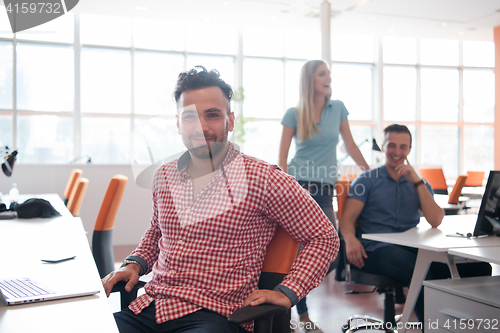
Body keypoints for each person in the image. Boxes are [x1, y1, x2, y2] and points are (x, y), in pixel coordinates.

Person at [101, 66, 339, 333]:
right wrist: (135, 263)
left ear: (231, 120)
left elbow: (324, 237)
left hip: (215, 316)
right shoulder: (164, 176)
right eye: (189, 116)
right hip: (151, 309)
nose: (201, 127)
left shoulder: (262, 179)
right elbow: (157, 231)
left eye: (212, 115)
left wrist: (289, 291)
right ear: (178, 123)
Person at [339, 124, 492, 323]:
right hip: (375, 250)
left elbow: (436, 220)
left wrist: (416, 181)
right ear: (383, 147)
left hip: (412, 248)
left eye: (403, 147)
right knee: (421, 269)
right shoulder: (367, 180)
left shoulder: (420, 183)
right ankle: (431, 326)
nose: (397, 151)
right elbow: (347, 219)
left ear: (409, 150)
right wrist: (350, 240)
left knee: (479, 268)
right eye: (391, 145)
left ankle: (466, 323)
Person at [279, 59, 369, 332]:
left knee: (330, 250)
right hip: (298, 185)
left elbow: (350, 143)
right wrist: (285, 187)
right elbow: (282, 156)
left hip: (324, 188)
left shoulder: (338, 108)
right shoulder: (294, 113)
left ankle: (292, 294)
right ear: (310, 80)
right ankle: (303, 314)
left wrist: (368, 172)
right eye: (321, 74)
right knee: (296, 252)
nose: (328, 77)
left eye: (328, 73)